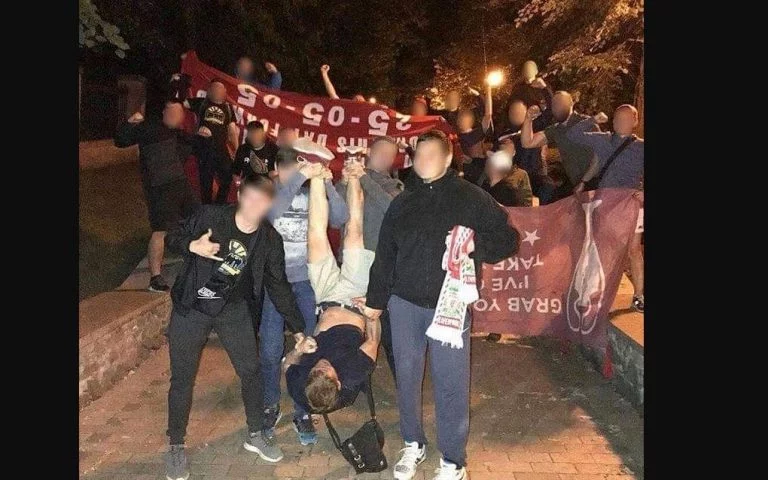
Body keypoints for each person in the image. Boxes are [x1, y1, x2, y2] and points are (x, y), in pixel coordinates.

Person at [361, 130, 520, 480]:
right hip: (404, 305)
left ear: (448, 159)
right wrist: (375, 300)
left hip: (450, 305)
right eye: (419, 154)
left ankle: (452, 459)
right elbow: (385, 254)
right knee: (406, 377)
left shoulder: (471, 197)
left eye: (432, 154)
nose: (423, 161)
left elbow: (508, 239)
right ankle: (412, 443)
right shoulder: (402, 202)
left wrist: (475, 244)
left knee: (450, 382)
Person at [162, 175, 310, 480]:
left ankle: (255, 433)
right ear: (240, 195)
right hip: (192, 307)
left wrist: (298, 330)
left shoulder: (269, 239)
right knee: (182, 378)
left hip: (232, 309)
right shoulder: (210, 216)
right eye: (251, 197)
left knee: (251, 371)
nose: (255, 206)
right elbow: (172, 237)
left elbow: (278, 286)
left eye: (263, 200)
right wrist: (191, 245)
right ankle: (176, 445)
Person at [261, 143, 349, 445]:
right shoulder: (269, 191)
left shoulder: (312, 192)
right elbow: (273, 213)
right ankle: (270, 404)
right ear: (279, 169)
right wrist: (300, 175)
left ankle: (302, 410)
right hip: (277, 283)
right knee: (270, 348)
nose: (296, 175)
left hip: (307, 282)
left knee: (309, 346)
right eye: (290, 170)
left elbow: (340, 218)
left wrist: (326, 184)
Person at [284, 160, 381, 416]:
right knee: (354, 232)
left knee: (314, 237)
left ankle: (316, 176)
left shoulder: (301, 386)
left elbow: (287, 366)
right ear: (338, 383)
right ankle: (355, 174)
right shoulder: (352, 374)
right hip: (355, 298)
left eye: (316, 369)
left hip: (325, 297)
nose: (323, 363)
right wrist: (372, 314)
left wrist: (297, 350)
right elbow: (373, 340)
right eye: (327, 370)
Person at [114, 100, 201, 292]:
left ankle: (195, 260)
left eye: (179, 114)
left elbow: (198, 142)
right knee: (161, 230)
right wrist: (129, 122)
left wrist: (204, 133)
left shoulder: (178, 134)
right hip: (159, 189)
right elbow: (120, 140)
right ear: (164, 113)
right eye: (172, 112)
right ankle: (155, 278)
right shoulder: (149, 128)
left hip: (181, 185)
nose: (176, 117)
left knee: (199, 219)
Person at [335, 136, 404, 379]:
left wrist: (363, 177)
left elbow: (393, 211)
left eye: (390, 154)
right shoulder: (350, 179)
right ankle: (348, 382)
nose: (385, 157)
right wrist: (344, 183)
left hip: (381, 268)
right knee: (348, 328)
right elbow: (334, 218)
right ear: (368, 152)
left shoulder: (396, 186)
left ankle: (403, 383)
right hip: (350, 266)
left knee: (391, 334)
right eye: (381, 151)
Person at [566, 104, 644, 312]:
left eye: (626, 119)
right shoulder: (603, 140)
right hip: (605, 204)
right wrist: (592, 120)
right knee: (600, 248)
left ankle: (639, 296)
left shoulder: (641, 147)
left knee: (634, 250)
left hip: (631, 204)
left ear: (635, 121)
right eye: (618, 118)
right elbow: (572, 135)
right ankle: (594, 295)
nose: (621, 123)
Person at [521, 90, 601, 191]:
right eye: (554, 104)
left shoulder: (587, 123)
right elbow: (527, 143)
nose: (556, 106)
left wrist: (584, 181)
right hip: (578, 185)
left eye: (560, 102)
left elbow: (600, 155)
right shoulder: (556, 130)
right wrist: (528, 118)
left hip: (597, 182)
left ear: (571, 103)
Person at [495, 77, 554, 202]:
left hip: (535, 174)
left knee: (547, 186)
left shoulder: (534, 127)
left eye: (519, 111)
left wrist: (545, 89)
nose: (516, 113)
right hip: (516, 175)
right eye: (513, 111)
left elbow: (551, 112)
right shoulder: (504, 133)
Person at [183, 79, 239, 204]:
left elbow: (232, 131)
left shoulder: (228, 108)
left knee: (227, 177)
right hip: (205, 147)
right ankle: (207, 207)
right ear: (209, 90)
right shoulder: (201, 103)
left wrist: (237, 150)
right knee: (206, 181)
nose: (217, 90)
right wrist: (179, 85)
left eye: (220, 88)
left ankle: (219, 205)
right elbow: (181, 103)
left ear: (224, 91)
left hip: (221, 149)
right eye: (215, 87)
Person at [456, 82, 494, 183]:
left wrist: (486, 91)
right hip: (464, 174)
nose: (464, 119)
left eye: (467, 116)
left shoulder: (479, 132)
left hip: (480, 171)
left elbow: (488, 115)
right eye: (462, 116)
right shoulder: (455, 136)